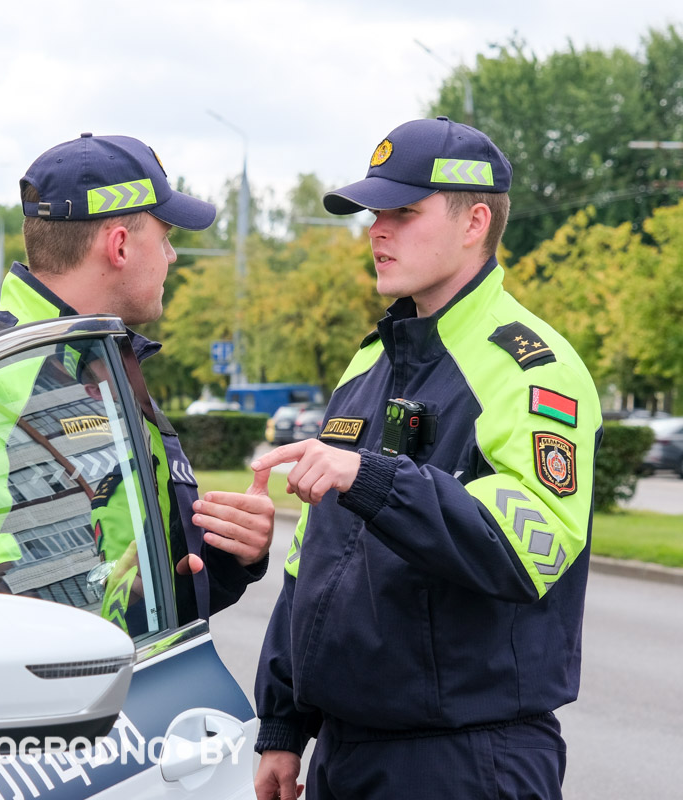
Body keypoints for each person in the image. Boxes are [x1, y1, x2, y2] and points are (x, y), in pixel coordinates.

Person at [252, 117, 602, 800]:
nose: (376, 230)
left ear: (475, 223)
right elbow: (314, 559)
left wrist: (375, 479)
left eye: (403, 212)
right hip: (348, 754)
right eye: (373, 213)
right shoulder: (369, 362)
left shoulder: (530, 367)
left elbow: (530, 545)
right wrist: (284, 721)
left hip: (468, 757)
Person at [0, 132, 275, 627]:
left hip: (119, 688)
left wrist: (230, 557)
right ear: (120, 246)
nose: (172, 257)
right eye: (167, 238)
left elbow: (130, 582)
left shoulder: (96, 360)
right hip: (56, 703)